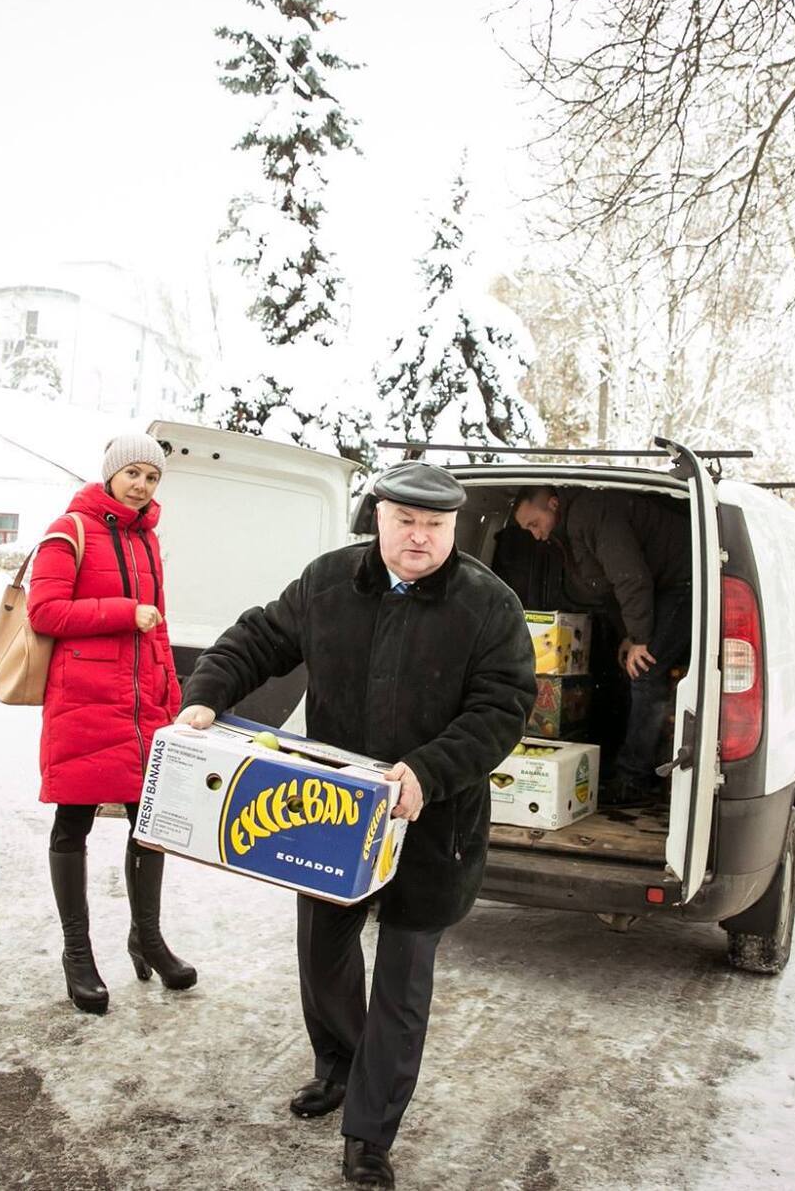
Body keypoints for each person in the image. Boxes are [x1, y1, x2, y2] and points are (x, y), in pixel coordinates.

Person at [176, 460, 534, 1190]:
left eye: (435, 526)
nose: (420, 538)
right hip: (333, 813)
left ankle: (370, 1132)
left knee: (402, 983)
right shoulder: (329, 582)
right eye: (406, 521)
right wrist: (207, 693)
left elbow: (502, 709)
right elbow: (260, 637)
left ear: (454, 528)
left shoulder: (488, 606)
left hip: (431, 826)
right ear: (378, 517)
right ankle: (339, 1063)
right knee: (323, 950)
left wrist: (426, 772)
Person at [27, 431, 194, 1017]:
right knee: (73, 823)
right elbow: (45, 611)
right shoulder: (68, 530)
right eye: (134, 475)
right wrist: (125, 613)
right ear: (110, 475)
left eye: (152, 477)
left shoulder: (149, 540)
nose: (142, 486)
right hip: (83, 700)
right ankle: (79, 954)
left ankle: (146, 937)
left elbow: (159, 625)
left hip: (141, 702)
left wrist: (171, 695)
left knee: (150, 823)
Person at [510, 484, 692, 805]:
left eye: (535, 524)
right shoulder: (566, 534)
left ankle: (634, 780)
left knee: (646, 673)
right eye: (527, 530)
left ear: (553, 504)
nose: (535, 535)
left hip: (683, 580)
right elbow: (606, 589)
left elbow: (630, 577)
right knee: (626, 668)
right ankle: (621, 763)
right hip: (656, 589)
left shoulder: (591, 513)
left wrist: (641, 639)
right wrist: (629, 635)